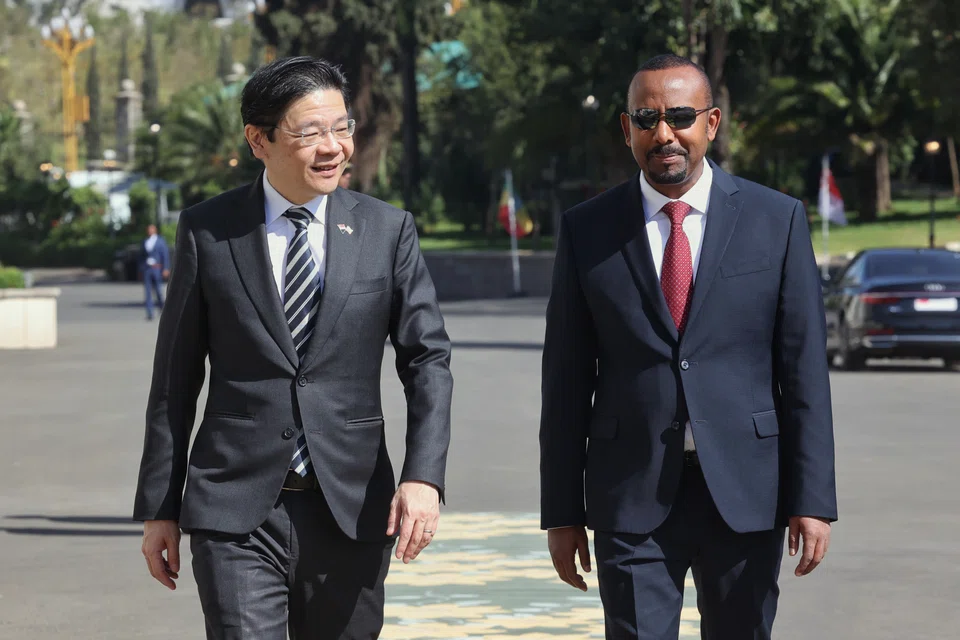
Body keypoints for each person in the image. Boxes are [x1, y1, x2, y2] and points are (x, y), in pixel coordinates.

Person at [133, 56, 453, 640]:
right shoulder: (209, 231)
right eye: (310, 133)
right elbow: (175, 378)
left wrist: (423, 478)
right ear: (259, 140)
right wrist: (161, 507)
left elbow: (427, 360)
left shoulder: (387, 230)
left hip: (353, 506)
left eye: (342, 127)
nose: (333, 146)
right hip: (235, 507)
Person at [539, 53, 837, 639]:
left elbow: (803, 373)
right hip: (629, 495)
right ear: (627, 129)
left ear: (712, 123)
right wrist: (563, 512)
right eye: (647, 118)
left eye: (680, 115)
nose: (664, 133)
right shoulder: (587, 229)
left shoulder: (776, 220)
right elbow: (567, 379)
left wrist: (813, 498)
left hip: (748, 492)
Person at [138, 224, 169, 320]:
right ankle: (150, 312)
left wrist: (166, 268)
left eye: (151, 229)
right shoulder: (144, 241)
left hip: (157, 268)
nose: (149, 231)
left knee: (158, 290)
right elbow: (141, 256)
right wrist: (140, 269)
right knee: (147, 291)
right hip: (147, 268)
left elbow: (165, 255)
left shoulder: (160, 241)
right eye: (148, 229)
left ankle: (162, 308)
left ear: (154, 230)